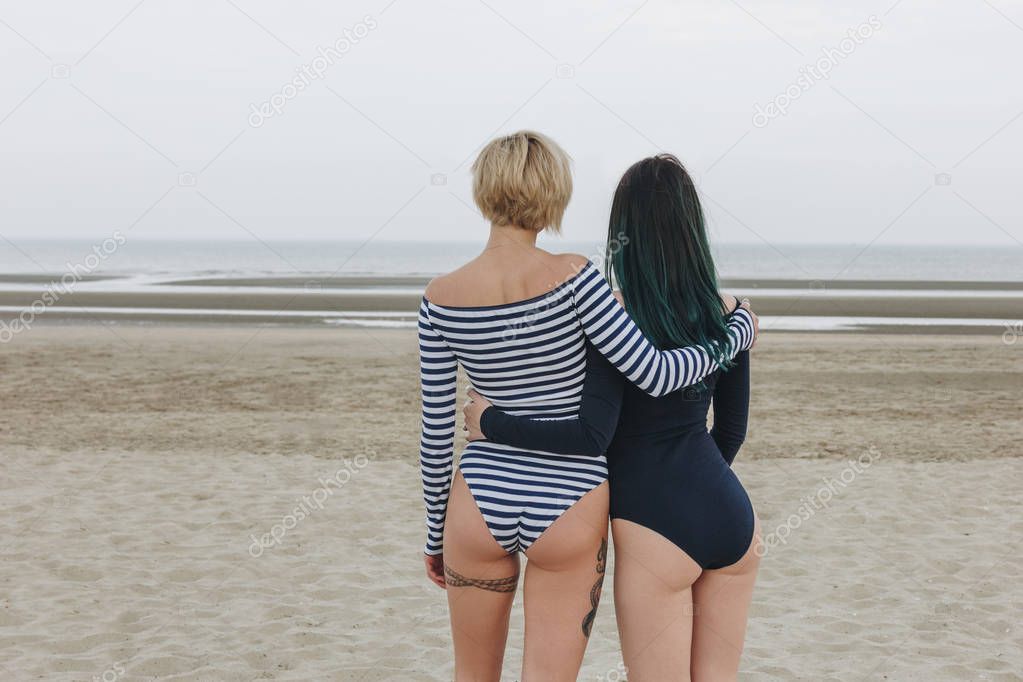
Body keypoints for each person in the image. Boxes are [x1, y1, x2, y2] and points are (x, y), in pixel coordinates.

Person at [418, 134, 757, 681]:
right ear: (555, 195)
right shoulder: (578, 278)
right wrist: (735, 331)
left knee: (471, 676)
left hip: (478, 499)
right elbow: (655, 374)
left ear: (482, 192)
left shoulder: (438, 296)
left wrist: (435, 533)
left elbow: (435, 434)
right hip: (568, 501)